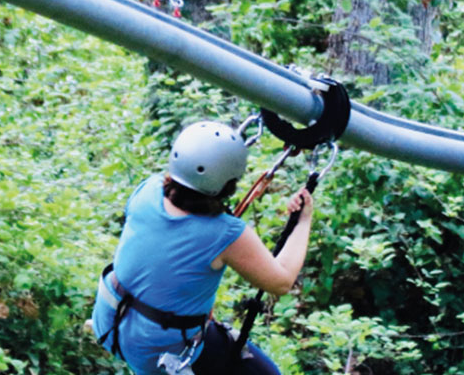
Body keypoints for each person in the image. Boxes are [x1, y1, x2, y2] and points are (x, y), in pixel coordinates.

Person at [92, 120, 315, 374]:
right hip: (157, 350)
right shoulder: (225, 233)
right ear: (229, 184)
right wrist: (303, 220)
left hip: (110, 322)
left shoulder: (148, 190)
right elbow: (281, 281)